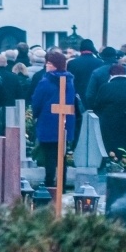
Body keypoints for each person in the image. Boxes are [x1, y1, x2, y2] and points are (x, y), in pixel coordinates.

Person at [31, 51, 75, 189]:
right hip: (65, 123)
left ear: (56, 65)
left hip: (48, 123)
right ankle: (61, 183)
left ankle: (50, 183)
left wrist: (35, 115)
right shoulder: (69, 81)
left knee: (50, 155)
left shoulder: (45, 82)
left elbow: (36, 102)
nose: (47, 66)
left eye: (50, 63)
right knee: (61, 155)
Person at [93, 64, 126, 157]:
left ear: (111, 75)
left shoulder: (105, 87)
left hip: (109, 122)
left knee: (112, 146)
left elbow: (97, 105)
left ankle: (112, 159)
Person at [67, 39, 103, 111]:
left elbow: (69, 82)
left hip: (77, 98)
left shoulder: (72, 63)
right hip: (95, 98)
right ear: (92, 49)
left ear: (80, 49)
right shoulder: (100, 63)